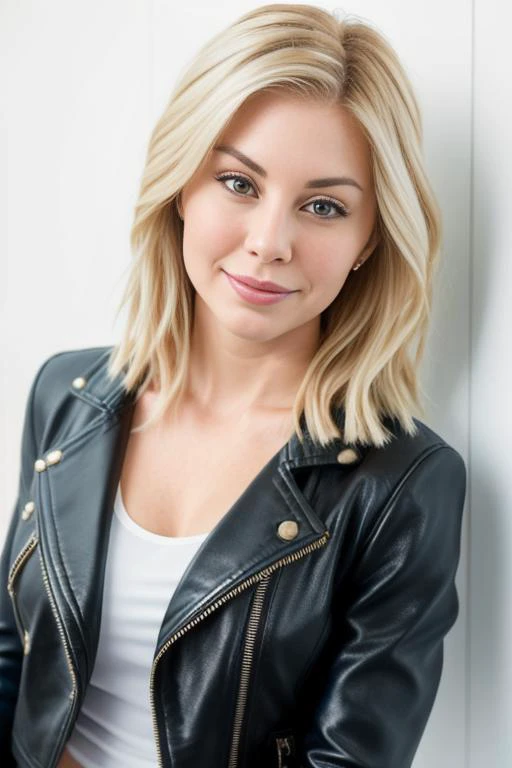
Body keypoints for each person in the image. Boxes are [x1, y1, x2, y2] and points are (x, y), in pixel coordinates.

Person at [0, 4, 466, 768]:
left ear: (368, 240)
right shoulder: (69, 392)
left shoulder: (402, 485)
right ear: (182, 184)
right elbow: (14, 659)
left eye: (324, 206)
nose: (269, 243)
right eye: (238, 183)